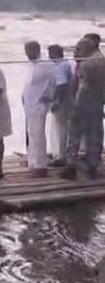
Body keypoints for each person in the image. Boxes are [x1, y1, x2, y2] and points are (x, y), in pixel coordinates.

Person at [59, 37, 105, 180]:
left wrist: (74, 105)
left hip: (83, 103)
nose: (75, 53)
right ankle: (92, 166)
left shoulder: (87, 63)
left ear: (85, 49)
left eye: (77, 49)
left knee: (74, 136)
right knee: (94, 136)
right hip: (96, 103)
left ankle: (71, 166)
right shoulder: (100, 59)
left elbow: (82, 86)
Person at [22, 41, 56, 178]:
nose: (27, 53)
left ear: (37, 50)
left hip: (39, 104)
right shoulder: (30, 65)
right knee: (31, 134)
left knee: (38, 133)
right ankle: (32, 162)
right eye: (26, 51)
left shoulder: (46, 65)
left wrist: (49, 96)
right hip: (29, 104)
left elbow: (54, 81)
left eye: (30, 50)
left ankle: (41, 166)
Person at [47, 44, 73, 167]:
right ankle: (62, 153)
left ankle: (60, 156)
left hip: (61, 103)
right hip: (68, 101)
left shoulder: (59, 67)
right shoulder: (66, 64)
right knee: (64, 129)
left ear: (54, 54)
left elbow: (61, 85)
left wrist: (56, 101)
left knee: (60, 129)